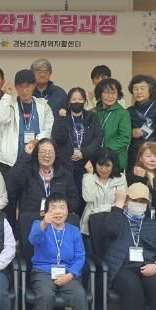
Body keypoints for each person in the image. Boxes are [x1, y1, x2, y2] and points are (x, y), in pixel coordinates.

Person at [28, 192, 89, 310]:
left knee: (79, 294)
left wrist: (71, 274)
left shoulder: (74, 231)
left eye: (62, 207)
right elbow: (33, 240)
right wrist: (44, 223)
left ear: (67, 211)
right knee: (46, 294)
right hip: (43, 271)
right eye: (53, 207)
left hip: (67, 272)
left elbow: (80, 256)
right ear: (46, 211)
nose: (58, 211)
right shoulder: (39, 225)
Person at [51, 87, 104, 215]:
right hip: (65, 164)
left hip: (86, 164)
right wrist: (62, 118)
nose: (77, 102)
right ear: (69, 101)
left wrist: (84, 153)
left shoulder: (91, 116)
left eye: (80, 99)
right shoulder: (62, 116)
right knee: (67, 195)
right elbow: (58, 138)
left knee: (84, 196)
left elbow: (98, 138)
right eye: (74, 99)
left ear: (85, 101)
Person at [7, 138, 80, 218]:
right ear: (36, 154)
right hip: (31, 219)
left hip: (58, 220)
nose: (47, 155)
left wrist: (58, 209)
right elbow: (12, 183)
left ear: (56, 155)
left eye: (50, 152)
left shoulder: (65, 175)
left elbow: (74, 202)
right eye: (43, 152)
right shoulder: (27, 172)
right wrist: (26, 155)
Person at [0, 69, 54, 167]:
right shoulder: (10, 104)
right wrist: (7, 95)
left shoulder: (43, 106)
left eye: (27, 87)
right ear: (16, 87)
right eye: (21, 87)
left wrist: (37, 140)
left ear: (34, 86)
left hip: (36, 158)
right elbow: (0, 119)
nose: (24, 91)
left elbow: (48, 129)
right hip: (11, 160)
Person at [128, 142, 156, 235]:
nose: (152, 159)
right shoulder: (132, 175)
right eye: (148, 156)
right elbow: (135, 199)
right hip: (140, 224)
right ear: (141, 158)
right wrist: (139, 178)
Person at [80, 148, 127, 235]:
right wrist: (89, 175)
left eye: (107, 165)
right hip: (90, 226)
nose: (103, 169)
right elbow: (89, 198)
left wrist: (97, 211)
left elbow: (121, 203)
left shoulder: (121, 178)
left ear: (113, 165)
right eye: (100, 165)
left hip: (113, 225)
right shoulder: (89, 177)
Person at [127, 74, 156, 169]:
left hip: (153, 155)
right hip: (135, 155)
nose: (139, 92)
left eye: (142, 88)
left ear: (150, 90)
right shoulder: (129, 111)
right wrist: (131, 133)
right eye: (135, 89)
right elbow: (123, 133)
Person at [94, 78, 131, 170]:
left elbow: (124, 139)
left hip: (116, 159)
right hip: (96, 158)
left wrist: (105, 152)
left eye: (114, 93)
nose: (110, 96)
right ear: (100, 94)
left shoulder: (123, 113)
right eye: (106, 92)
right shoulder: (94, 112)